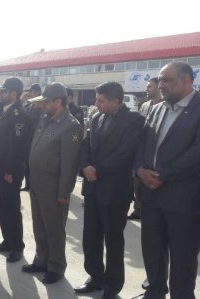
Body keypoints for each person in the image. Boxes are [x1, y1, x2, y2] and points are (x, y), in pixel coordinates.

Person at [133, 62, 200, 299]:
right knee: (152, 249)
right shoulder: (156, 108)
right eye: (159, 80)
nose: (161, 85)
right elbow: (143, 144)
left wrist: (163, 174)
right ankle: (155, 290)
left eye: (167, 80)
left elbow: (196, 152)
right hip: (151, 195)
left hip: (183, 199)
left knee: (183, 256)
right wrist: (140, 169)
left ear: (186, 80)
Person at [75, 82, 145, 299]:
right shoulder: (97, 118)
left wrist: (98, 170)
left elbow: (125, 154)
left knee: (114, 240)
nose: (96, 104)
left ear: (116, 101)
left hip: (114, 190)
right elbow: (86, 145)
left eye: (100, 100)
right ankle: (94, 276)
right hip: (92, 187)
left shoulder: (134, 121)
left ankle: (112, 286)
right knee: (91, 236)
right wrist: (85, 166)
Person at [21, 82, 83, 284]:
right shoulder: (45, 119)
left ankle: (56, 266)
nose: (42, 105)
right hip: (38, 184)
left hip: (53, 186)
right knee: (39, 225)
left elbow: (69, 164)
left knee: (54, 228)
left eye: (46, 102)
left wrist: (64, 192)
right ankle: (41, 260)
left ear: (58, 101)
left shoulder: (70, 126)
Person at [0, 77, 30, 263]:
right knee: (3, 205)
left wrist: (10, 170)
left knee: (13, 207)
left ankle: (17, 246)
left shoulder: (19, 114)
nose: (1, 94)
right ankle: (7, 241)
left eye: (4, 91)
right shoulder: (5, 110)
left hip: (10, 169)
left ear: (13, 93)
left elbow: (18, 146)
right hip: (1, 167)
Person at [128, 77, 162, 220]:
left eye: (150, 87)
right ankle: (138, 208)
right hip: (142, 149)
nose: (146, 89)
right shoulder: (145, 105)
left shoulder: (166, 106)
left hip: (157, 152)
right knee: (138, 180)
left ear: (158, 88)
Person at [21, 83, 42, 192]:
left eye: (31, 91)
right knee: (27, 163)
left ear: (37, 92)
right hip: (28, 139)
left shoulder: (41, 106)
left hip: (36, 139)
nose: (29, 93)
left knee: (34, 164)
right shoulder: (29, 105)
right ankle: (28, 184)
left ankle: (34, 185)